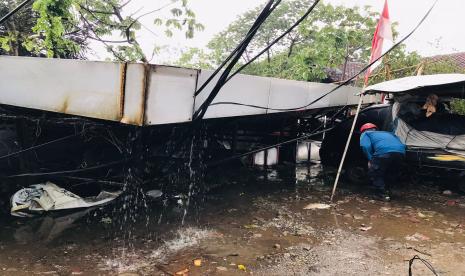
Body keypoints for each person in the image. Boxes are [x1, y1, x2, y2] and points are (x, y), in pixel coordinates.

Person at [359, 123, 406, 201]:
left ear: (363, 130)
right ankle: (390, 191)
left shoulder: (366, 133)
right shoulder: (389, 133)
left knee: (375, 173)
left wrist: (370, 159)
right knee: (391, 172)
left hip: (383, 152)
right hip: (401, 152)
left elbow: (365, 146)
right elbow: (402, 144)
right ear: (375, 129)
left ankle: (382, 195)